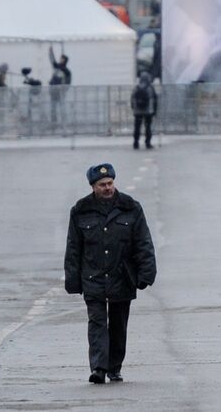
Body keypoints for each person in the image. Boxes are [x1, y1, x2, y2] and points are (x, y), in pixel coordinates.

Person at [65, 163, 157, 384]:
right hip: (93, 277)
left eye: (110, 183)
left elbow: (143, 243)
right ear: (93, 187)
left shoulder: (130, 207)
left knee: (118, 325)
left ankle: (114, 367)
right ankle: (98, 367)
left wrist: (147, 273)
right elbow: (74, 247)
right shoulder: (81, 210)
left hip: (122, 276)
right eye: (102, 185)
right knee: (97, 323)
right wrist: (72, 280)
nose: (107, 188)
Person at [130, 76, 157, 150]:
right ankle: (147, 143)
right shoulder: (150, 88)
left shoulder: (136, 88)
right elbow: (154, 100)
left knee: (137, 128)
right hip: (148, 112)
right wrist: (154, 111)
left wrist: (133, 108)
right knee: (148, 127)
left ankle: (136, 143)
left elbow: (132, 99)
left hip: (137, 112)